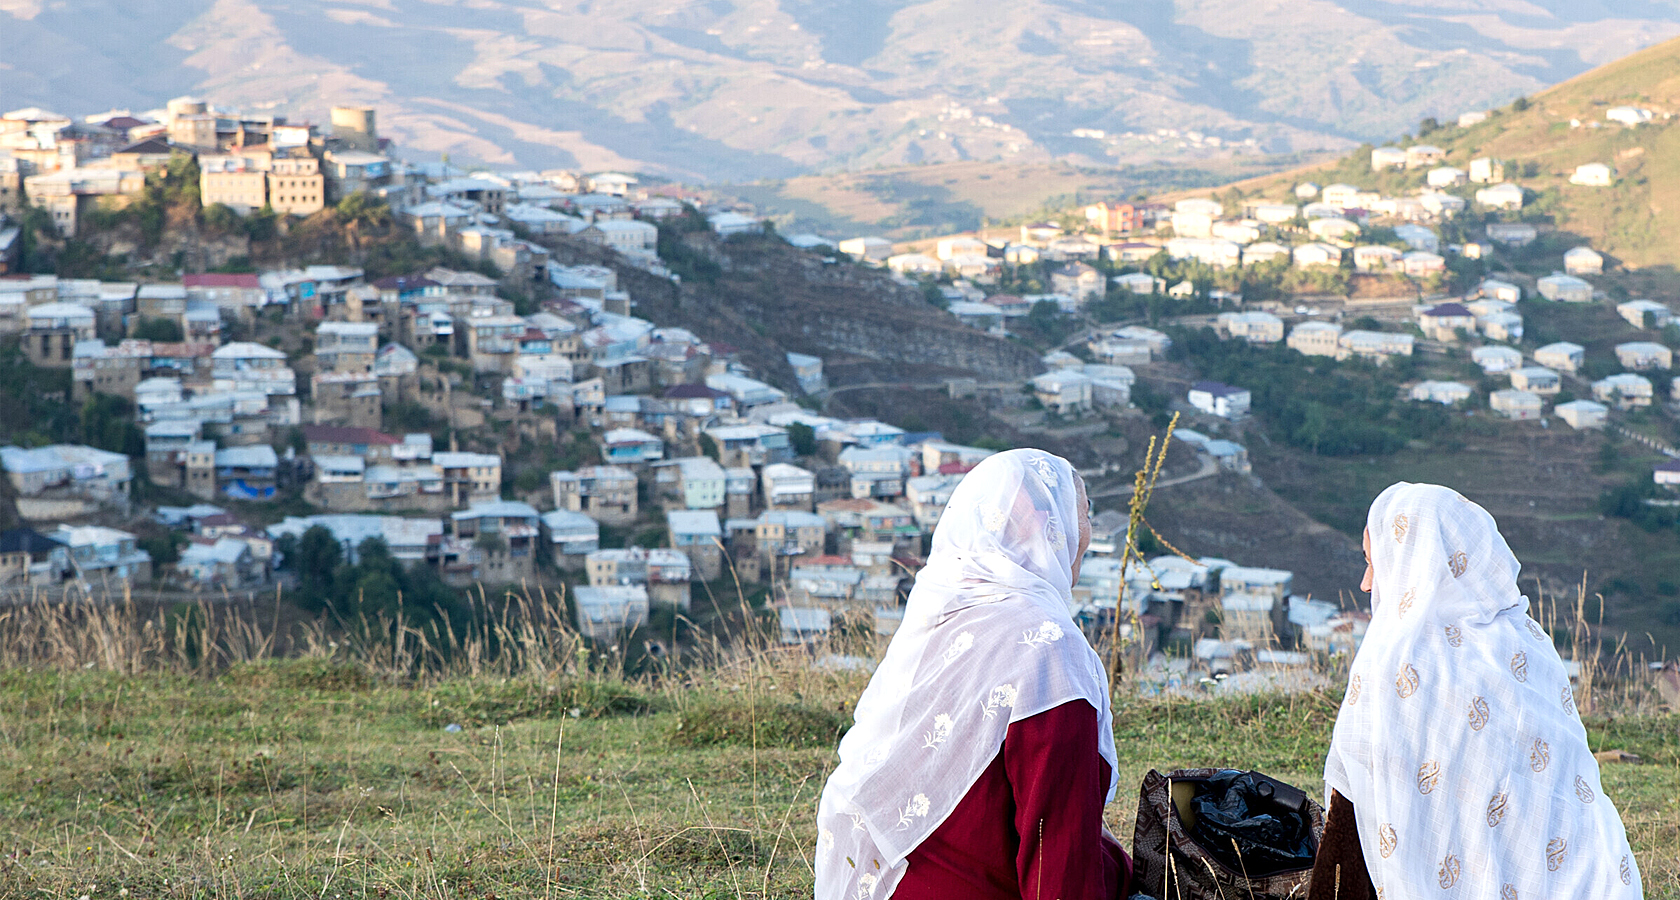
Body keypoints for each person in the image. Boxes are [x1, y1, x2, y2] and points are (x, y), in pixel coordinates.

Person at [813, 449, 1130, 900]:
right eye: (1083, 516)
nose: (1086, 534)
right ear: (1049, 527)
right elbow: (1056, 843)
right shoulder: (1049, 650)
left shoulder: (944, 612)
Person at [1310, 482, 1642, 899]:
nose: (1366, 583)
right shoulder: (1528, 642)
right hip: (1583, 879)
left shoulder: (1394, 663)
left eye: (1376, 563)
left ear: (1416, 563)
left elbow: (1352, 807)